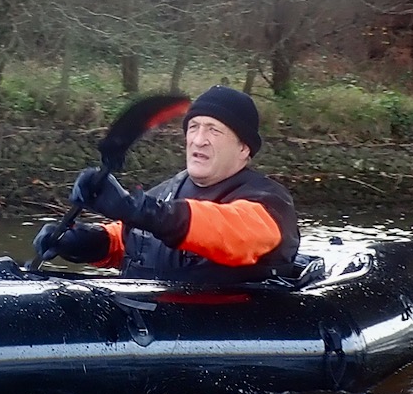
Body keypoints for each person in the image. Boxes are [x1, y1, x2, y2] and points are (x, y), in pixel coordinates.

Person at [33, 85, 299, 282]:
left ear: (243, 149)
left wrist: (142, 211)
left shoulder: (269, 202)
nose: (198, 139)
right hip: (148, 322)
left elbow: (229, 231)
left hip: (218, 334)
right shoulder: (166, 192)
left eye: (214, 130)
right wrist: (88, 242)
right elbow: (129, 239)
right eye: (193, 127)